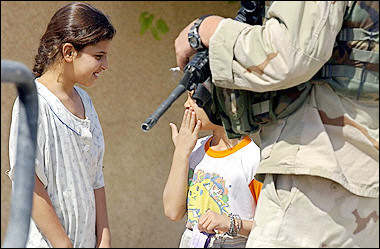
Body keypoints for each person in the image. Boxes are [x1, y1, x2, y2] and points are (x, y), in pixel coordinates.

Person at [173, 1, 378, 248]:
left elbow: (289, 54)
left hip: (318, 170)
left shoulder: (248, 155)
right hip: (347, 167)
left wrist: (207, 30)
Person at [7, 2, 116, 248]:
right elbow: (27, 183)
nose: (105, 66)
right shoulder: (32, 103)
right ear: (68, 52)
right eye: (98, 56)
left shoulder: (86, 101)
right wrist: (63, 244)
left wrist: (105, 237)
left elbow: (96, 176)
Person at [163, 87, 262, 248]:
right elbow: (172, 211)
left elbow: (271, 227)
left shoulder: (253, 158)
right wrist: (181, 153)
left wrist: (230, 224)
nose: (186, 105)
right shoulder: (194, 149)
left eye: (194, 99)